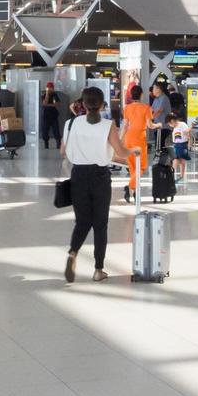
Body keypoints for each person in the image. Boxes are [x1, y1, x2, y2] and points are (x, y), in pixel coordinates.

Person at [61, 87, 130, 284]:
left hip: (78, 175)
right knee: (100, 224)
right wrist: (131, 150)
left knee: (82, 222)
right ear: (101, 105)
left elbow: (62, 152)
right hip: (100, 177)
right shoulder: (108, 125)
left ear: (82, 104)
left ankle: (73, 253)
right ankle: (98, 269)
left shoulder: (71, 123)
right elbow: (121, 153)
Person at [120, 84, 153, 201]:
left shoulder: (127, 108)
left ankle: (133, 192)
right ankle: (130, 187)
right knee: (142, 166)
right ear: (141, 95)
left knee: (133, 167)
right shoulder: (146, 108)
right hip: (139, 139)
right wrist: (158, 125)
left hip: (128, 138)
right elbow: (150, 125)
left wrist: (120, 140)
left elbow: (124, 126)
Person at [149, 82, 172, 151]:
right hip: (158, 127)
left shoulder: (164, 98)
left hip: (164, 127)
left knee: (160, 146)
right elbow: (151, 110)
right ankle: (162, 160)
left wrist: (150, 118)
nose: (152, 90)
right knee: (158, 146)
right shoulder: (156, 99)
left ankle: (164, 160)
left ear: (158, 89)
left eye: (153, 88)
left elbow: (159, 111)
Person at [40, 82, 63, 149]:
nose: (50, 89)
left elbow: (57, 104)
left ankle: (58, 144)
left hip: (54, 115)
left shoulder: (55, 95)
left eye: (51, 88)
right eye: (49, 88)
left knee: (56, 131)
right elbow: (44, 103)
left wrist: (48, 105)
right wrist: (47, 94)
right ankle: (46, 144)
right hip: (46, 116)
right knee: (45, 131)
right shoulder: (44, 95)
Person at [169, 113, 190, 181]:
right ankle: (181, 176)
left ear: (172, 121)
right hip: (177, 145)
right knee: (180, 161)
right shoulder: (175, 127)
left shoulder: (182, 125)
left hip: (182, 145)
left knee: (177, 160)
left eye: (170, 123)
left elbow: (188, 134)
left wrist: (189, 143)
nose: (170, 125)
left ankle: (174, 176)